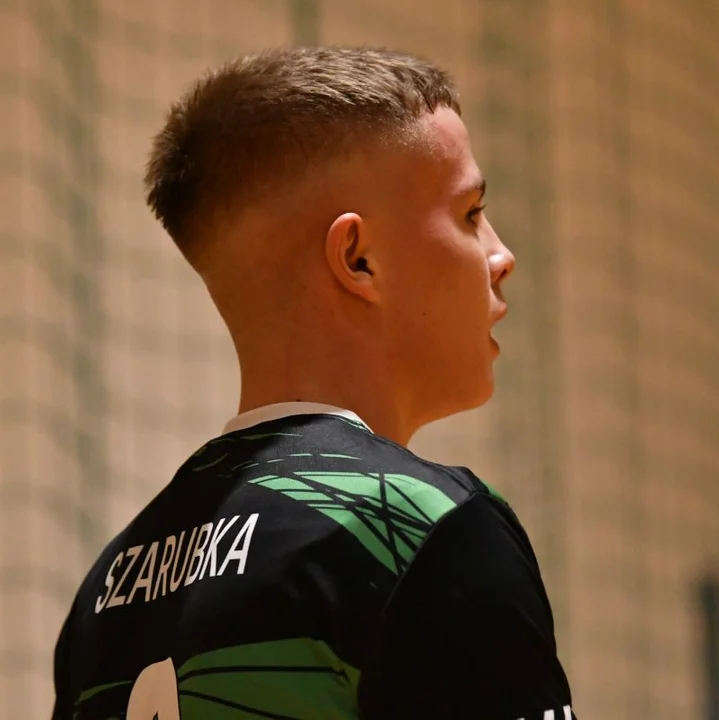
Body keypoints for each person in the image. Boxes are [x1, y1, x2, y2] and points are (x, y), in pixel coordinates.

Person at [52, 46, 576, 720]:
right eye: (471, 213)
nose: (502, 256)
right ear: (358, 259)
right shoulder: (427, 528)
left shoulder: (105, 590)